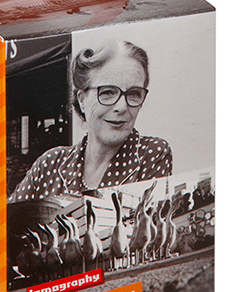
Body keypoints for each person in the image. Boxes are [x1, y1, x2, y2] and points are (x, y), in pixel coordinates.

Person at [10, 40, 172, 201]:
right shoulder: (49, 165)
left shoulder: (150, 155)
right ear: (82, 100)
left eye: (134, 93)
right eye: (107, 92)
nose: (122, 107)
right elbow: (7, 215)